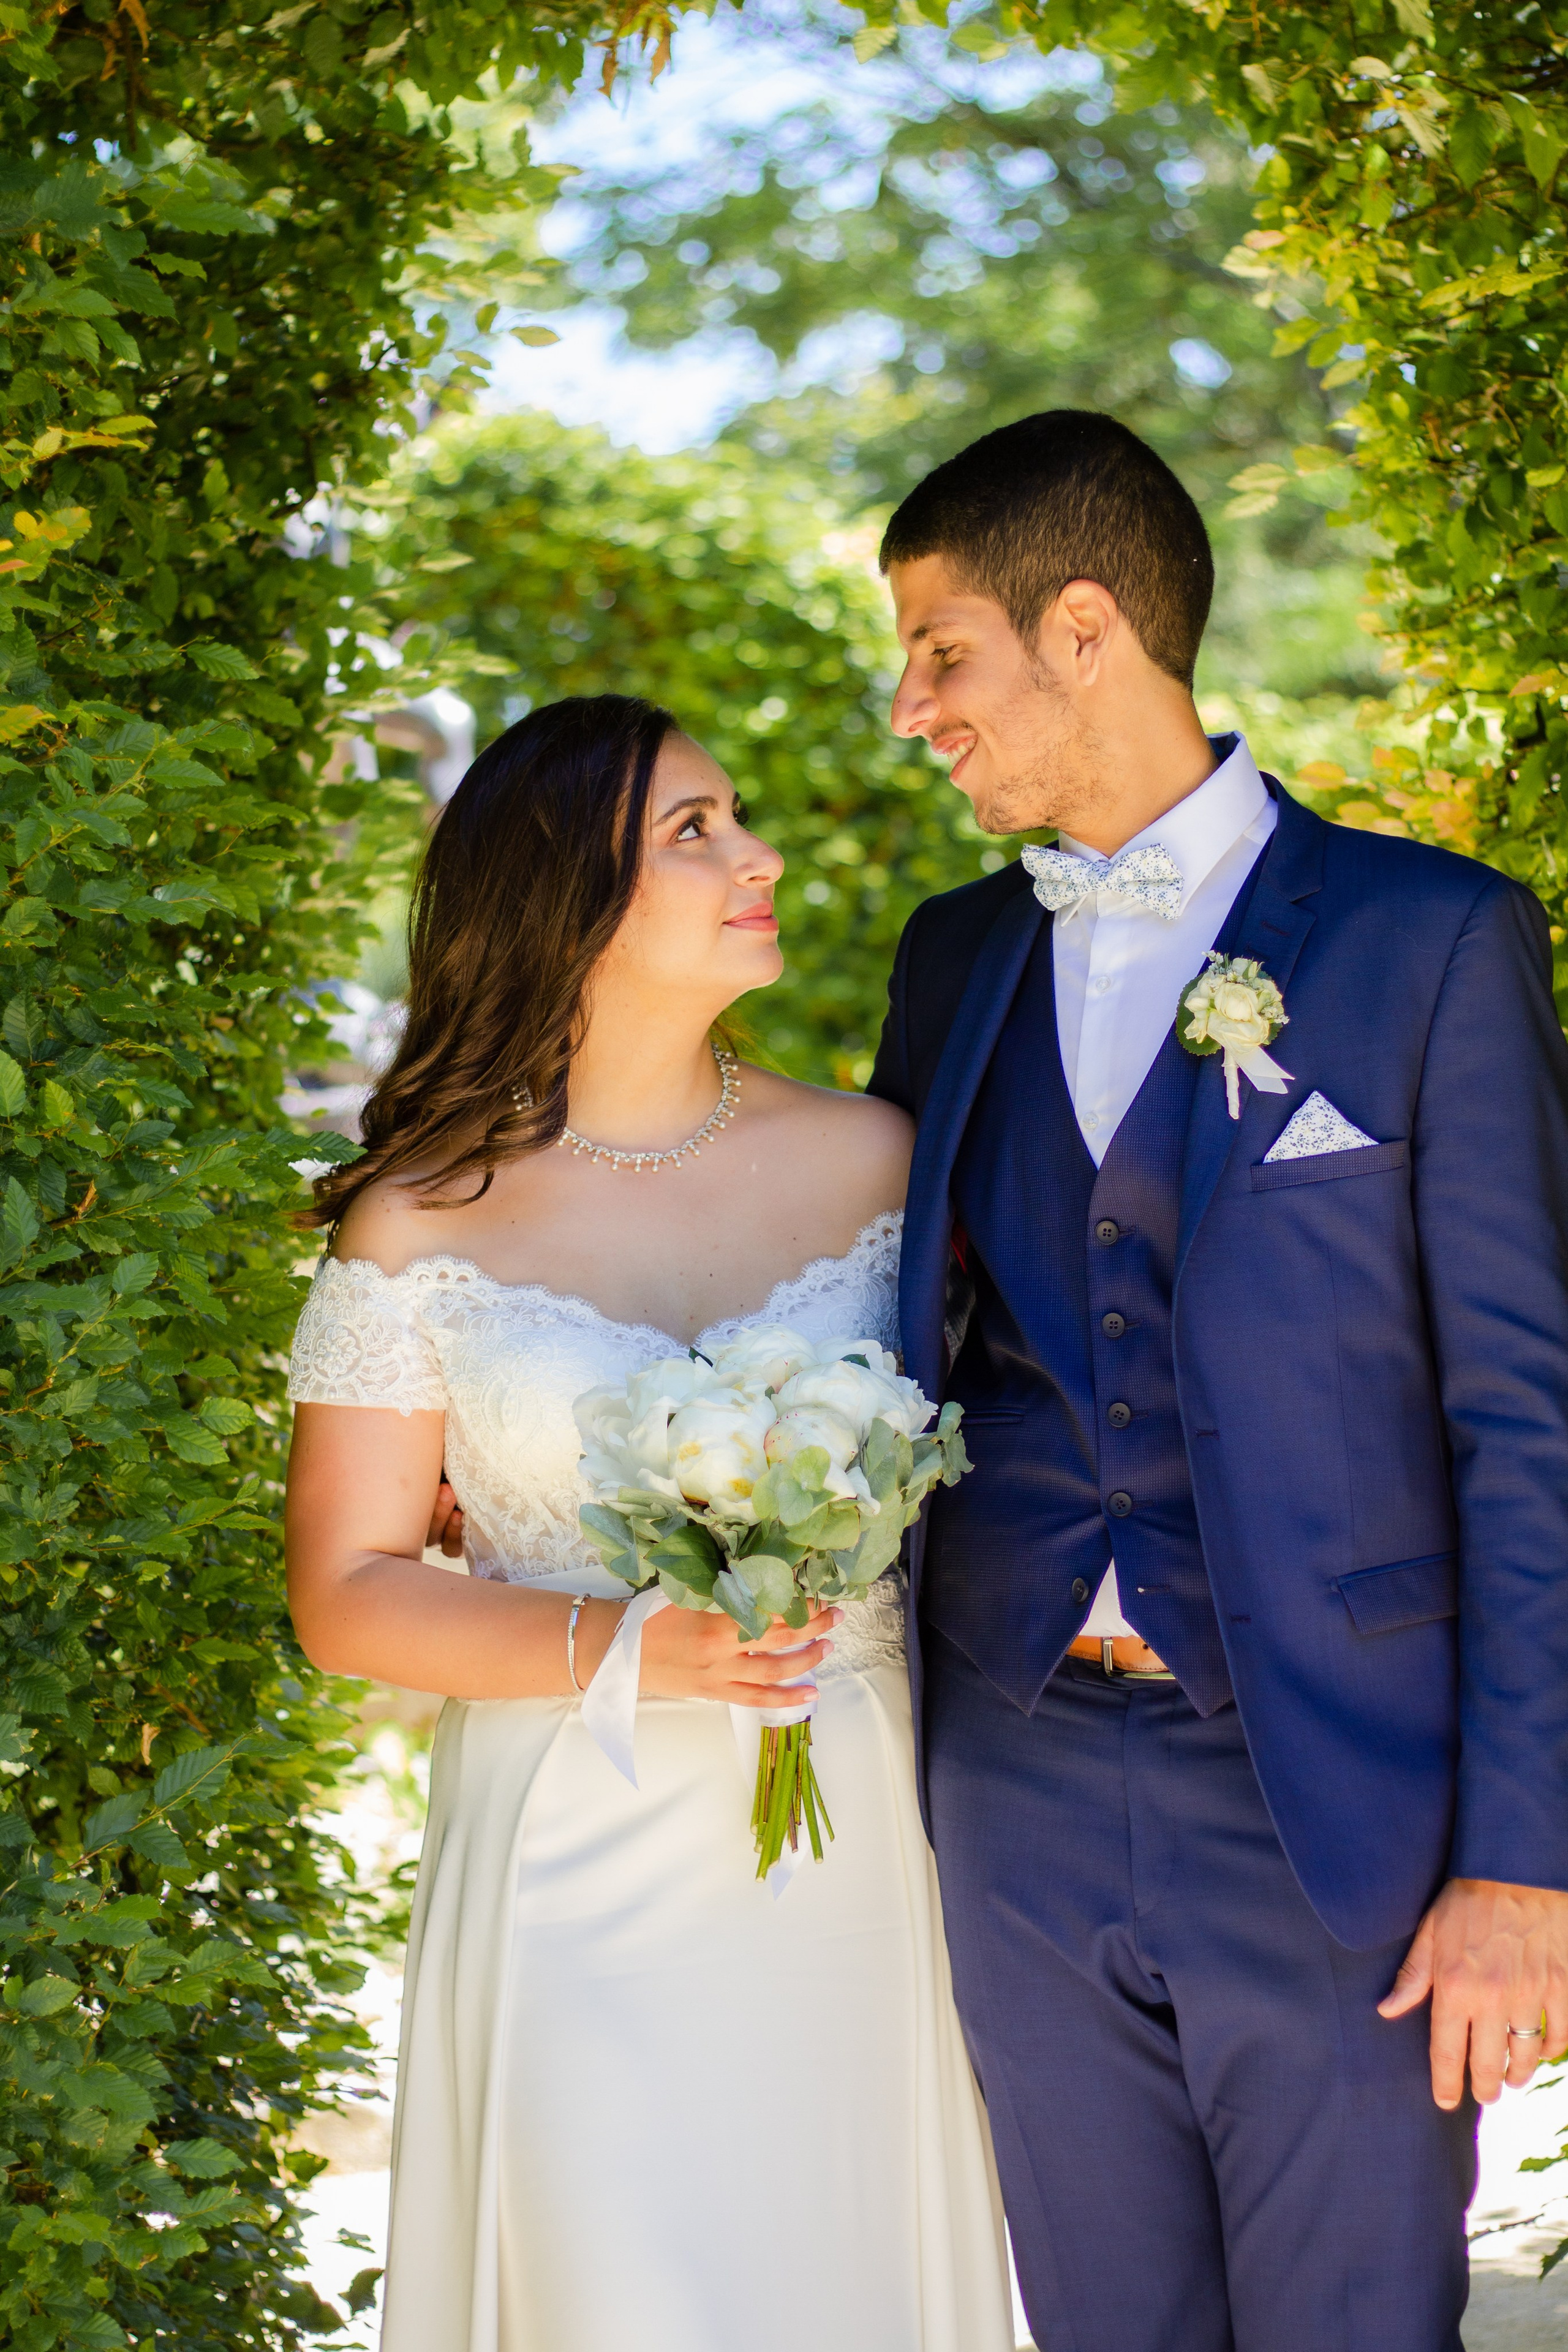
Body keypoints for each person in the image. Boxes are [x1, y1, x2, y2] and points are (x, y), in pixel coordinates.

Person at [866, 408, 1568, 2352]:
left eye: (943, 653)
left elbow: (1530, 1429)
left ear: (1085, 630)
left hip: (1334, 1799)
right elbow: (888, 1321)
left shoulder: (1433, 942)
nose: (914, 709)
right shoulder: (949, 961)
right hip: (1011, 1775)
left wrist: (1526, 1863)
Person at [282, 694, 1012, 2352]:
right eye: (696, 831)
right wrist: (633, 1643)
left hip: (860, 1840)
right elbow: (346, 1592)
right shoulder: (418, 1222)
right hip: (574, 1852)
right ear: (565, 898)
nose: (760, 858)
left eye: (736, 816)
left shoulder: (883, 1165)